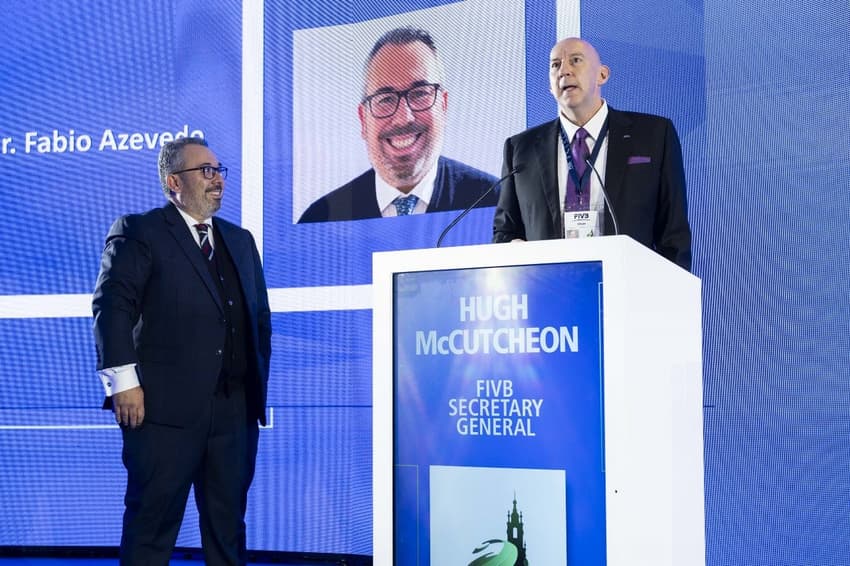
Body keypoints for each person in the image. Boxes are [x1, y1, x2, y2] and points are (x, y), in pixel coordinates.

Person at [92, 137, 272, 565]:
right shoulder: (140, 231)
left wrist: (253, 389)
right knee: (151, 529)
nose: (217, 180)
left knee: (228, 531)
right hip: (161, 413)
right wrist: (124, 383)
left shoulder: (240, 241)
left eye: (219, 170)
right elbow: (112, 306)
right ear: (174, 182)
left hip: (234, 414)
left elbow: (259, 320)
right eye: (204, 171)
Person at [492, 37, 692, 270]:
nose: (564, 71)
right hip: (549, 293)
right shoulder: (520, 149)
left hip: (630, 289)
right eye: (555, 65)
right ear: (549, 85)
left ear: (602, 75)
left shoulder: (654, 135)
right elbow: (505, 232)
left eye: (575, 60)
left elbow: (674, 234)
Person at [298, 26, 498, 223]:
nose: (404, 117)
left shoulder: (496, 202)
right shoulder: (320, 218)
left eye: (420, 93)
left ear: (443, 106)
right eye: (385, 99)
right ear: (363, 120)